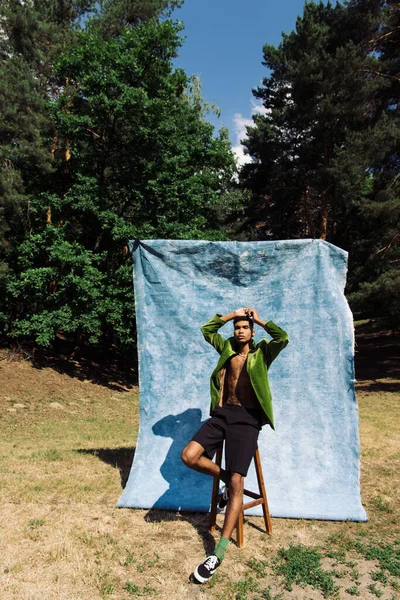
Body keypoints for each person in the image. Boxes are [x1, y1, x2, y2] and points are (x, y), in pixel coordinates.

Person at [181, 307, 289, 584]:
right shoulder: (226, 348)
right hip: (223, 414)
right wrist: (232, 314)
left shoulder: (262, 352)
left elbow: (283, 337)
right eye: (237, 327)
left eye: (244, 327)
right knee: (189, 456)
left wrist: (258, 319)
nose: (239, 331)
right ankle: (229, 480)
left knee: (238, 483)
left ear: (252, 332)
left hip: (247, 420)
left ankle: (217, 554)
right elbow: (207, 330)